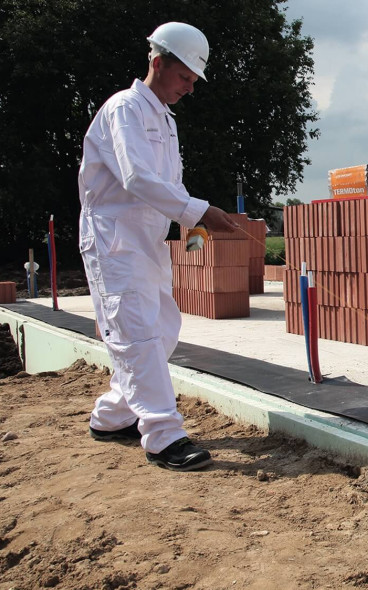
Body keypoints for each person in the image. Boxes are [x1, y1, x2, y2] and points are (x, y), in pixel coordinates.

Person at [77, 22, 238, 471]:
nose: (189, 87)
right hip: (114, 242)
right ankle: (164, 436)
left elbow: (171, 186)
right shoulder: (125, 109)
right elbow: (136, 178)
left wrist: (195, 230)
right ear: (158, 62)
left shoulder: (165, 121)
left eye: (193, 81)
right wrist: (201, 212)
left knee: (163, 327)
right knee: (138, 337)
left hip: (146, 240)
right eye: (185, 77)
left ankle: (111, 416)